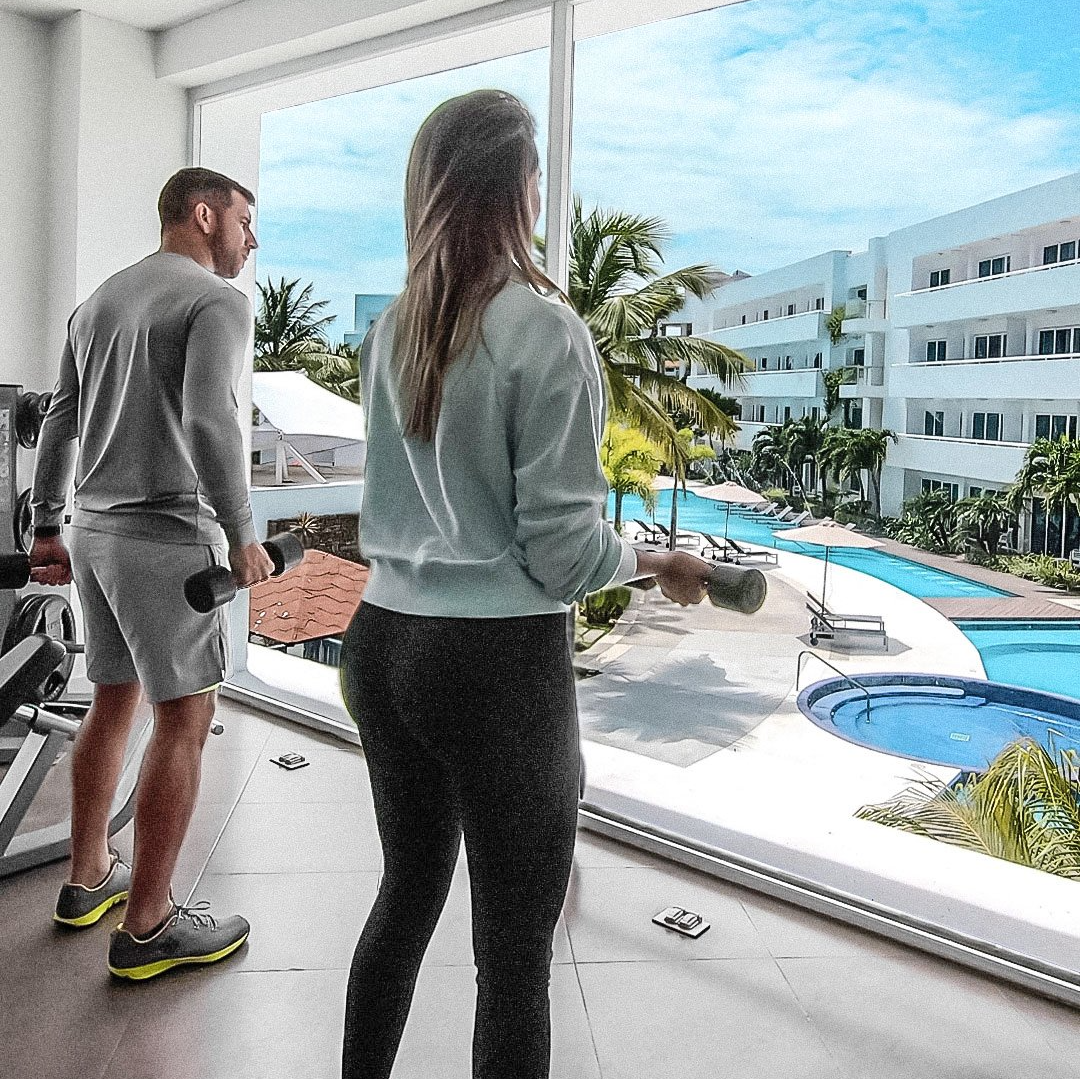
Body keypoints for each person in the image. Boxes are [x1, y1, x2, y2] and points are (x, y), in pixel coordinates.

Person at [338, 89, 712, 1079]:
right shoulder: (543, 331)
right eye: (537, 182)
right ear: (519, 191)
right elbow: (559, 551)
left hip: (381, 642)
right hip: (496, 667)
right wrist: (651, 561)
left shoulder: (391, 334)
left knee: (405, 895)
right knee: (513, 955)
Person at [29, 166, 274, 980]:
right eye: (245, 221)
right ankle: (149, 923)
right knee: (185, 720)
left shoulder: (98, 300)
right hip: (166, 536)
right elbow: (210, 416)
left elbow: (59, 420)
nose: (251, 239)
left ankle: (87, 873)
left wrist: (45, 523)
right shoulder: (217, 302)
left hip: (93, 532)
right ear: (204, 215)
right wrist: (241, 530)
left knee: (111, 698)